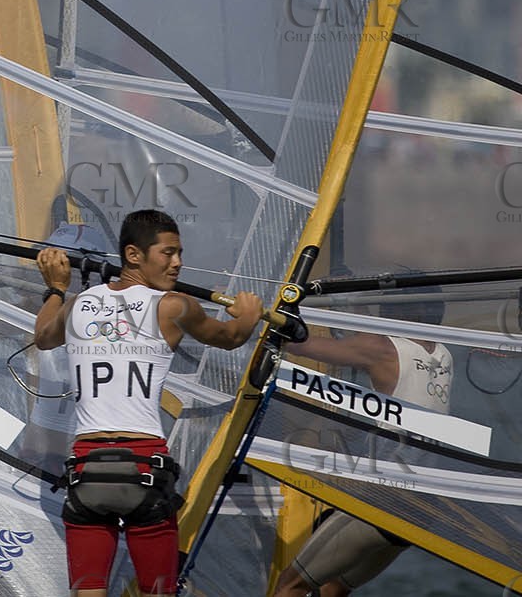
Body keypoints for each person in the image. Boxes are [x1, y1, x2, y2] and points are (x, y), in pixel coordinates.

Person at [35, 208, 262, 597]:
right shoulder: (173, 306)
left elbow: (42, 336)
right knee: (158, 591)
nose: (178, 263)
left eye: (179, 254)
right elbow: (229, 337)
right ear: (134, 255)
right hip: (143, 466)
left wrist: (56, 287)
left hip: (88, 469)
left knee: (87, 590)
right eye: (168, 253)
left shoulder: (78, 304)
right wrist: (249, 315)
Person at [270, 297, 452, 597]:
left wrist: (262, 317)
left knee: (291, 585)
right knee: (333, 588)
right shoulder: (444, 354)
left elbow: (299, 345)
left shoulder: (382, 348)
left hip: (385, 497)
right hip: (423, 507)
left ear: (400, 312)